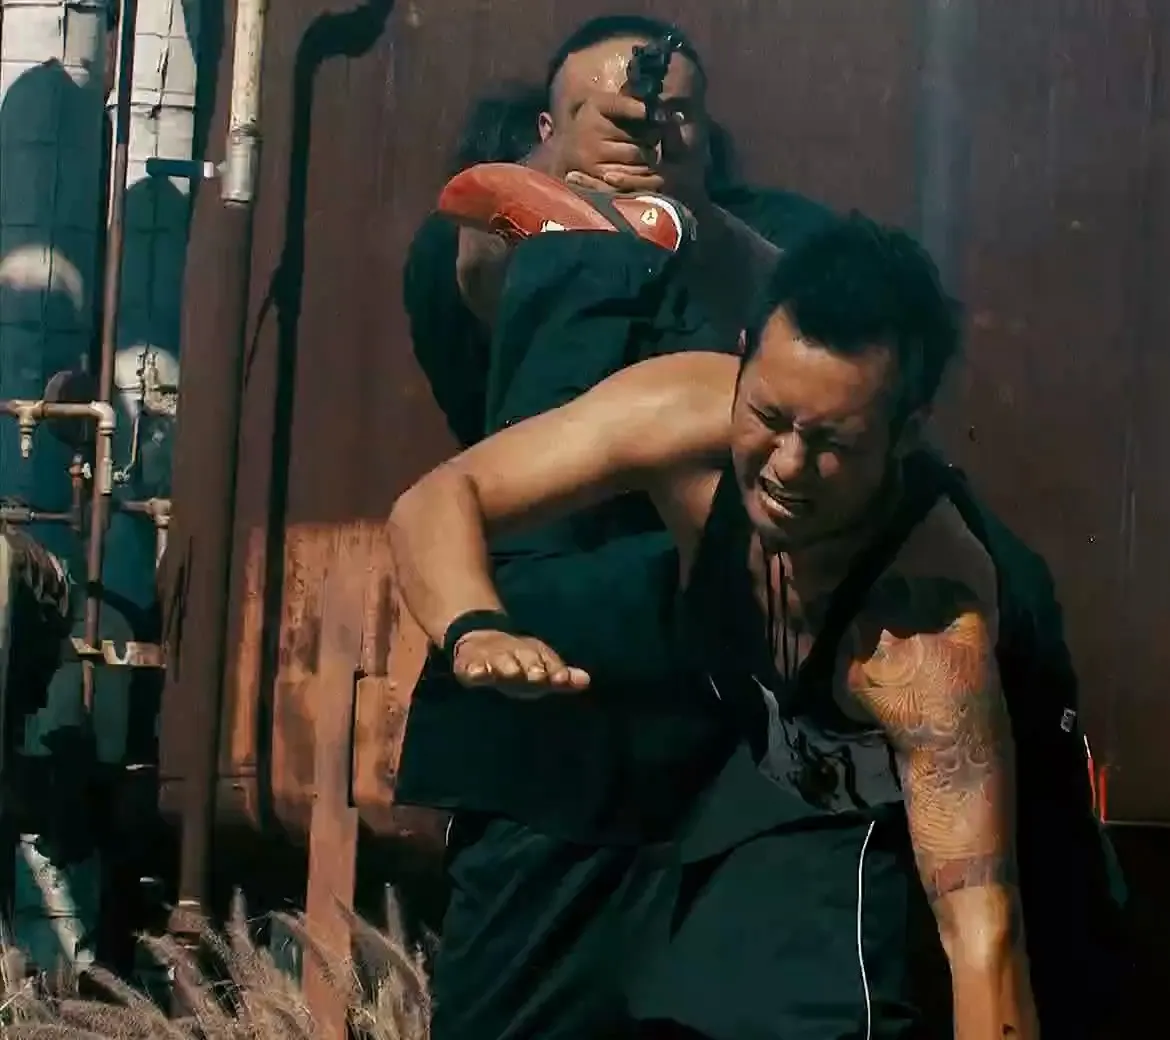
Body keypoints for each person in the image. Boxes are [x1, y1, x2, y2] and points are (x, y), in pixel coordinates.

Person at [390, 205, 1125, 1038]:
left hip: (985, 840)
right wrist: (474, 626)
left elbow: (984, 937)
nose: (787, 468)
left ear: (905, 434)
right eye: (769, 419)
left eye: (833, 443)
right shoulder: (683, 410)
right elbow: (441, 497)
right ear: (742, 360)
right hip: (792, 769)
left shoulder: (921, 640)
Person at [392, 16, 837, 1040]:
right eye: (605, 110)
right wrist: (582, 212)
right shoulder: (492, 219)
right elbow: (469, 258)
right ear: (547, 125)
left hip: (725, 709)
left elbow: (831, 325)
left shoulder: (768, 230)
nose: (644, 127)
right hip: (548, 693)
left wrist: (685, 225)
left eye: (673, 114)